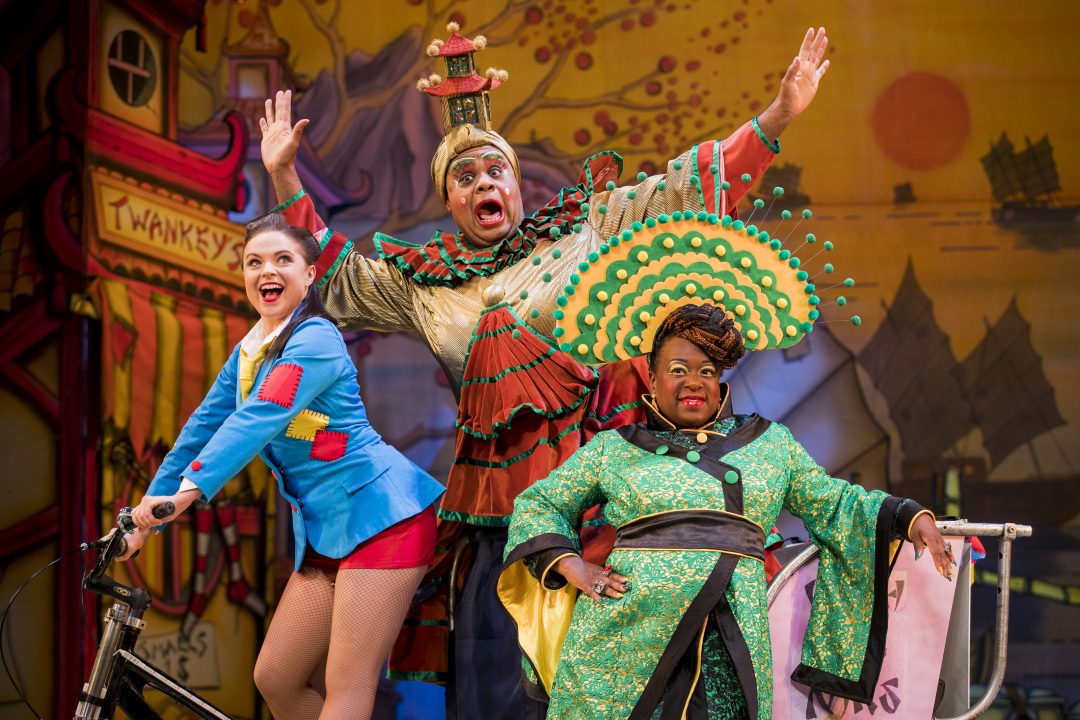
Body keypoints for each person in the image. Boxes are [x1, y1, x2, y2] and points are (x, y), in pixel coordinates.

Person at [259, 24, 832, 718]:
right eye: (464, 178)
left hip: (601, 505)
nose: (482, 185)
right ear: (450, 199)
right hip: (495, 519)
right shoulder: (429, 284)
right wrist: (285, 176)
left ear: (515, 180)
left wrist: (775, 119)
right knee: (495, 689)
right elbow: (340, 278)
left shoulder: (583, 229)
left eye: (493, 171)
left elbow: (684, 190)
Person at [497, 304, 952, 720]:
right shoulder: (615, 449)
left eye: (706, 371)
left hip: (731, 633)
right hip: (624, 636)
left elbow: (834, 502)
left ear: (720, 384)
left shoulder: (770, 444)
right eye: (678, 370)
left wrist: (907, 515)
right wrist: (572, 566)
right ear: (652, 380)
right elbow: (540, 503)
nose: (693, 381)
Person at [119, 213, 445, 720]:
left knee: (346, 683)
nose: (266, 270)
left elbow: (257, 418)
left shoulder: (316, 340)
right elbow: (202, 428)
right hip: (326, 532)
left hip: (385, 517)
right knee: (277, 677)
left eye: (282, 259)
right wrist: (143, 515)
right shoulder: (252, 350)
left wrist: (184, 496)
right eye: (254, 262)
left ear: (310, 275)